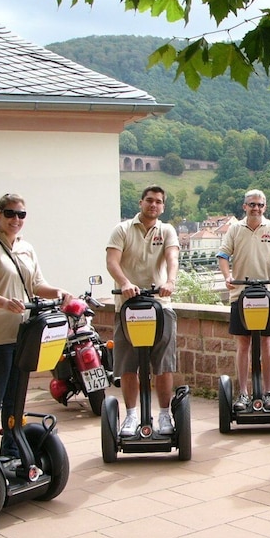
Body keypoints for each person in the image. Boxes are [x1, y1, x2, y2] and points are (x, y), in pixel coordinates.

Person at [0, 193, 71, 457]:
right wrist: (4, 303)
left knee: (14, 399)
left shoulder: (27, 249)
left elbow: (37, 284)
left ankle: (11, 451)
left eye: (21, 214)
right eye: (10, 213)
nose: (16, 219)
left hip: (22, 336)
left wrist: (59, 291)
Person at [106, 185, 180, 436]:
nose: (153, 205)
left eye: (159, 202)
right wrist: (125, 283)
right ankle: (130, 415)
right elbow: (112, 261)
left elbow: (172, 258)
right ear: (141, 203)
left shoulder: (167, 230)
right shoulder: (123, 229)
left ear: (163, 206)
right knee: (128, 365)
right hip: (128, 307)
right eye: (149, 200)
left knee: (164, 364)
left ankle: (165, 414)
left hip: (160, 306)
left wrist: (170, 282)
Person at [217, 189, 270, 412]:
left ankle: (267, 391)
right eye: (251, 204)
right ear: (244, 207)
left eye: (259, 204)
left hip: (266, 294)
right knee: (243, 343)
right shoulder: (235, 229)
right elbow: (223, 255)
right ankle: (243, 393)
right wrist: (228, 276)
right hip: (240, 293)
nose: (256, 208)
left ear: (265, 207)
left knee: (266, 342)